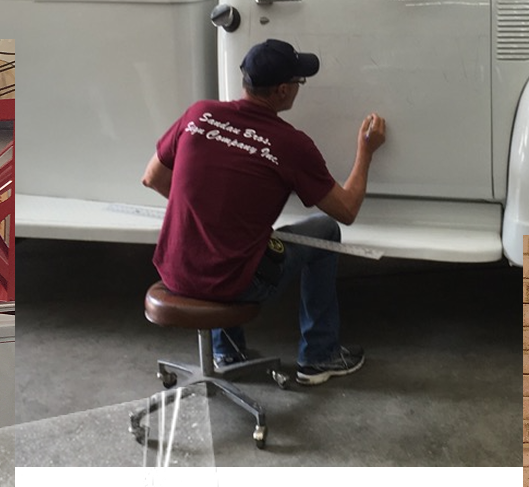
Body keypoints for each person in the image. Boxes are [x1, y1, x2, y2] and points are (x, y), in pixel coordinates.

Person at [141, 38, 386, 385]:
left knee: (227, 242)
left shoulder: (199, 114)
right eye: (299, 83)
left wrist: (209, 216)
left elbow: (152, 177)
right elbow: (345, 210)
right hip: (235, 282)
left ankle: (226, 352)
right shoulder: (291, 144)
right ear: (283, 91)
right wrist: (366, 151)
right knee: (325, 229)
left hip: (173, 268)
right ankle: (319, 356)